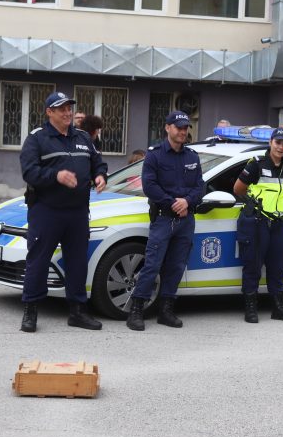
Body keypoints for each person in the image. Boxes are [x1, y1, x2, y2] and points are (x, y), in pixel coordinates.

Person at [18, 92, 108, 333]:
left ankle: (78, 311)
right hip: (47, 210)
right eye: (62, 109)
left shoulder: (82, 138)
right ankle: (31, 310)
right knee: (38, 262)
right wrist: (55, 176)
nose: (68, 113)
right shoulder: (37, 139)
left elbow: (97, 162)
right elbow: (29, 172)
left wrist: (100, 175)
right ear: (49, 112)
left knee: (78, 262)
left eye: (69, 108)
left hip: (77, 212)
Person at [125, 111, 204, 331]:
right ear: (167, 128)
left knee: (177, 266)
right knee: (152, 265)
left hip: (186, 219)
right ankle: (136, 310)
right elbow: (149, 186)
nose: (182, 131)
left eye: (186, 127)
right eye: (178, 127)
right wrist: (173, 203)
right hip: (163, 218)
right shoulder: (155, 155)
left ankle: (166, 310)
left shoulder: (192, 156)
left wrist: (187, 201)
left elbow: (200, 186)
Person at [232, 128, 283, 324]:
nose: (281, 147)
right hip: (257, 221)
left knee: (278, 266)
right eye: (278, 143)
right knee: (252, 265)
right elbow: (238, 189)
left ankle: (278, 307)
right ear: (271, 142)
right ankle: (251, 308)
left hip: (281, 222)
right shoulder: (256, 164)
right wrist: (254, 205)